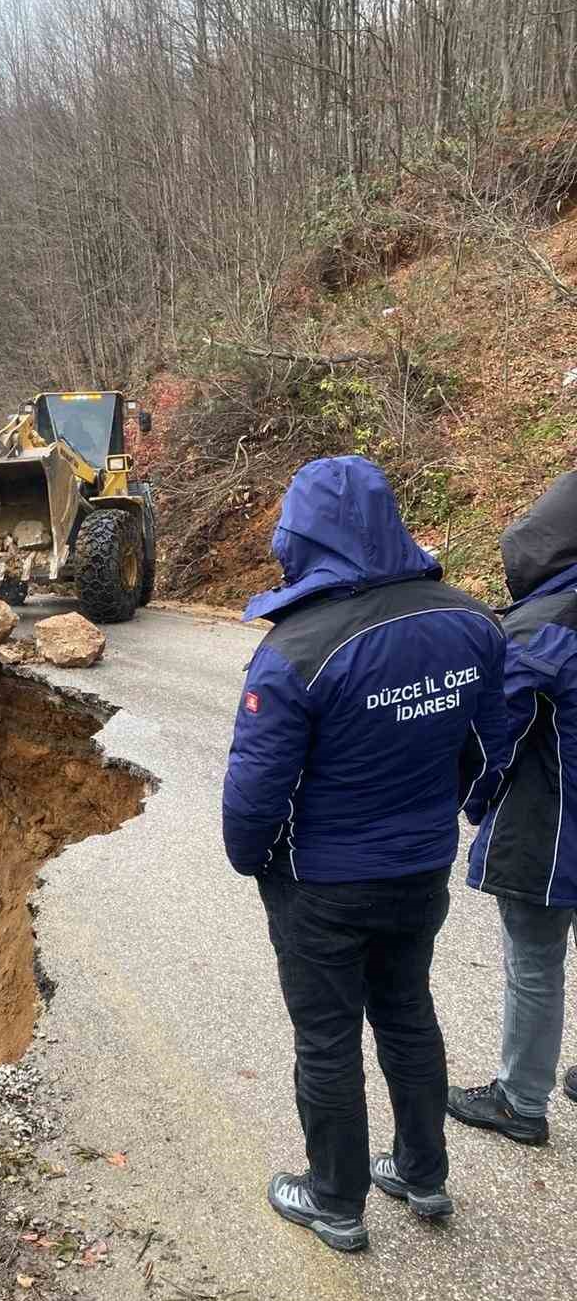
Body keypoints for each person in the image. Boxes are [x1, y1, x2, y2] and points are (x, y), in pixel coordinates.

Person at [222, 456, 507, 1253]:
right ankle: (422, 1173)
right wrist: (443, 814)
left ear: (300, 537)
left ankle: (334, 1200)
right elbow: (490, 747)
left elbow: (254, 793)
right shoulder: (472, 621)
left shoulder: (296, 649)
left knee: (327, 1037)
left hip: (322, 883)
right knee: (408, 1014)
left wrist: (255, 861)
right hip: (419, 870)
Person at [449, 471, 577, 1144]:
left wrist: (472, 806)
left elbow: (493, 739)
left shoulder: (541, 628)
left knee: (533, 961)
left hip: (549, 830)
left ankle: (520, 1101)